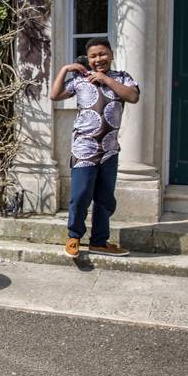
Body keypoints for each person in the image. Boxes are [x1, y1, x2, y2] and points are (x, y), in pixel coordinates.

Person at [49, 37, 140, 259]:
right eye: (93, 56)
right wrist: (65, 69)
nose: (98, 59)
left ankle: (100, 241)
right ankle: (74, 237)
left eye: (102, 54)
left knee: (105, 198)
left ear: (110, 54)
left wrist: (105, 80)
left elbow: (133, 96)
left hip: (109, 149)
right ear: (88, 59)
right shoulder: (81, 80)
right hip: (84, 149)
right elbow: (55, 95)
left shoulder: (122, 78)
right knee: (80, 195)